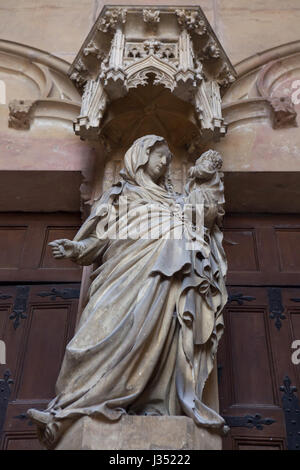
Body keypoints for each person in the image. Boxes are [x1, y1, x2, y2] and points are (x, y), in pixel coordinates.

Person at [28, 135, 227, 448]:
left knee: (156, 336)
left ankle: (154, 403)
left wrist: (206, 179)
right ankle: (70, 406)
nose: (165, 162)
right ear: (141, 156)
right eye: (160, 155)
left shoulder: (175, 200)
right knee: (95, 336)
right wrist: (77, 247)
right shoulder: (121, 193)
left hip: (165, 277)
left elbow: (201, 220)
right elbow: (101, 237)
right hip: (122, 275)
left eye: (168, 158)